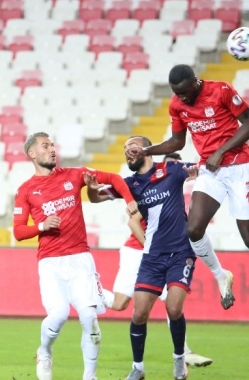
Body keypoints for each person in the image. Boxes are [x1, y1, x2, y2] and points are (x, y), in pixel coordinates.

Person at [128, 64, 249, 321]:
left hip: (239, 168)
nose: (182, 97)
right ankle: (221, 275)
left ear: (195, 81)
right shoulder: (177, 105)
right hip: (211, 170)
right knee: (193, 229)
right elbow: (177, 141)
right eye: (177, 93)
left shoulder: (221, 90)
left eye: (185, 92)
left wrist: (221, 151)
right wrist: (147, 151)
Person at [12, 132, 139, 380]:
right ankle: (44, 351)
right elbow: (18, 231)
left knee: (90, 318)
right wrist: (42, 226)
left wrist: (129, 199)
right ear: (32, 154)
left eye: (52, 145)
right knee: (59, 315)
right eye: (45, 146)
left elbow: (114, 178)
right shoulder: (25, 190)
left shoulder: (74, 174)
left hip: (80, 259)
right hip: (50, 262)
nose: (52, 149)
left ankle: (90, 376)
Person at [87, 152, 213, 368]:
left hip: (160, 253)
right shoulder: (147, 185)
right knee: (119, 304)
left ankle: (184, 352)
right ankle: (88, 291)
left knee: (172, 303)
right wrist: (149, 246)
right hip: (138, 251)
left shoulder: (173, 193)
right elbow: (133, 221)